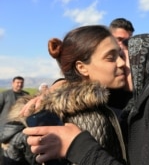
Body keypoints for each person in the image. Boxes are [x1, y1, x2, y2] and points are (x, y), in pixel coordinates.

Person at [23, 34, 149, 165]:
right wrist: (59, 90)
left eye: (124, 56)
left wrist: (77, 146)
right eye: (113, 57)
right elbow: (93, 92)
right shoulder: (142, 100)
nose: (121, 64)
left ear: (146, 63)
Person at [0, 25, 127, 164]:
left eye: (120, 55)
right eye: (111, 58)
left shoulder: (119, 97)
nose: (122, 63)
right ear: (82, 67)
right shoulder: (74, 116)